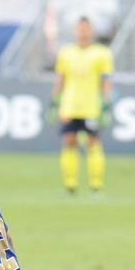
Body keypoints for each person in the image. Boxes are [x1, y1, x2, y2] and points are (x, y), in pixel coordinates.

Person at [52, 17, 114, 196]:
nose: (83, 31)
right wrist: (55, 100)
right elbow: (61, 79)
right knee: (69, 142)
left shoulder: (102, 53)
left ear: (92, 30)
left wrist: (106, 102)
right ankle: (70, 185)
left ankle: (96, 185)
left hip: (91, 106)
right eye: (81, 28)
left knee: (93, 143)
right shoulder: (66, 52)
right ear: (76, 30)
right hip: (69, 106)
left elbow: (106, 80)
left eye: (87, 28)